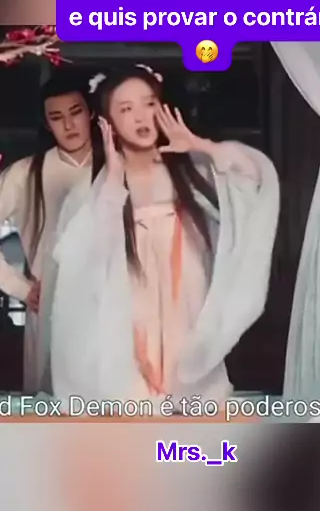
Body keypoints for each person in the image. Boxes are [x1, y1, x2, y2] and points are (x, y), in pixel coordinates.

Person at [50, 64, 280, 408]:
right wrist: (113, 179)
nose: (141, 117)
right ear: (107, 122)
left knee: (186, 371)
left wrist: (201, 146)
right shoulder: (99, 186)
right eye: (126, 109)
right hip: (132, 290)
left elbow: (254, 178)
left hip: (185, 288)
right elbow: (82, 255)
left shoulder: (189, 170)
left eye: (149, 104)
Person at [0, 69, 103, 393]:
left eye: (75, 113)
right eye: (57, 118)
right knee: (52, 400)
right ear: (47, 124)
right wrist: (20, 288)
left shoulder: (117, 167)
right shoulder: (24, 173)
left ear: (91, 113)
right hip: (50, 302)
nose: (69, 125)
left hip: (114, 303)